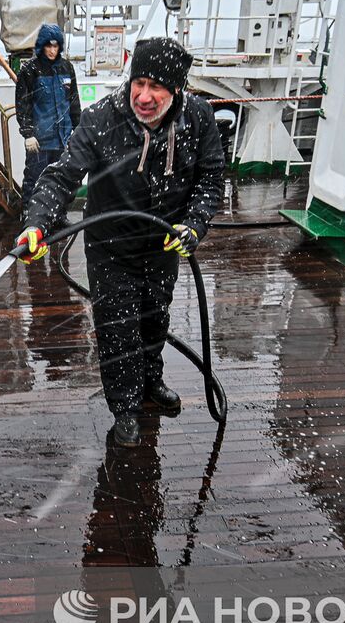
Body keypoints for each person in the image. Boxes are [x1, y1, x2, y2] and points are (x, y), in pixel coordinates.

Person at [16, 37, 223, 448]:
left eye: (157, 87)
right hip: (111, 247)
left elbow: (211, 179)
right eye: (138, 83)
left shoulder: (198, 119)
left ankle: (151, 382)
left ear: (177, 89)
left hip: (164, 245)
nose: (144, 96)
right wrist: (37, 223)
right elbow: (61, 176)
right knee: (117, 330)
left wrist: (195, 225)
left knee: (153, 319)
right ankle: (125, 408)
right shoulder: (101, 119)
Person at [15, 23, 81, 202]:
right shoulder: (29, 70)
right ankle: (29, 216)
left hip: (63, 139)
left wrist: (79, 131)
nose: (52, 50)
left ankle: (57, 215)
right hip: (40, 142)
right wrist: (28, 133)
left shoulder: (67, 68)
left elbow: (73, 102)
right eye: (48, 46)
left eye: (55, 46)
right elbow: (23, 104)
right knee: (34, 180)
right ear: (41, 45)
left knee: (62, 181)